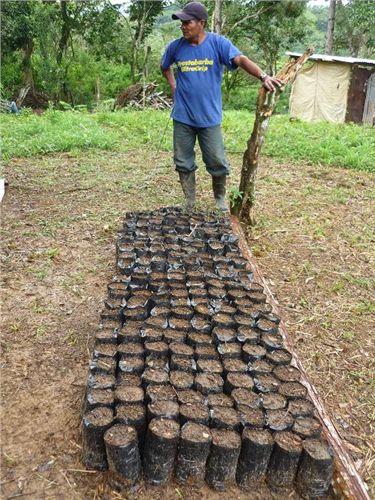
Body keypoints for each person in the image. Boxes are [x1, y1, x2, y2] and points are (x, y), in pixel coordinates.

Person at [161, 1, 282, 211]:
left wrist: (262, 76)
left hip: (209, 118)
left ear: (201, 23)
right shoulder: (175, 47)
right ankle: (189, 201)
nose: (182, 26)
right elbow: (164, 67)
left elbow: (241, 59)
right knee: (182, 160)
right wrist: (173, 86)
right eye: (181, 22)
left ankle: (219, 199)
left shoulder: (218, 44)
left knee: (216, 160)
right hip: (182, 116)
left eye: (187, 22)